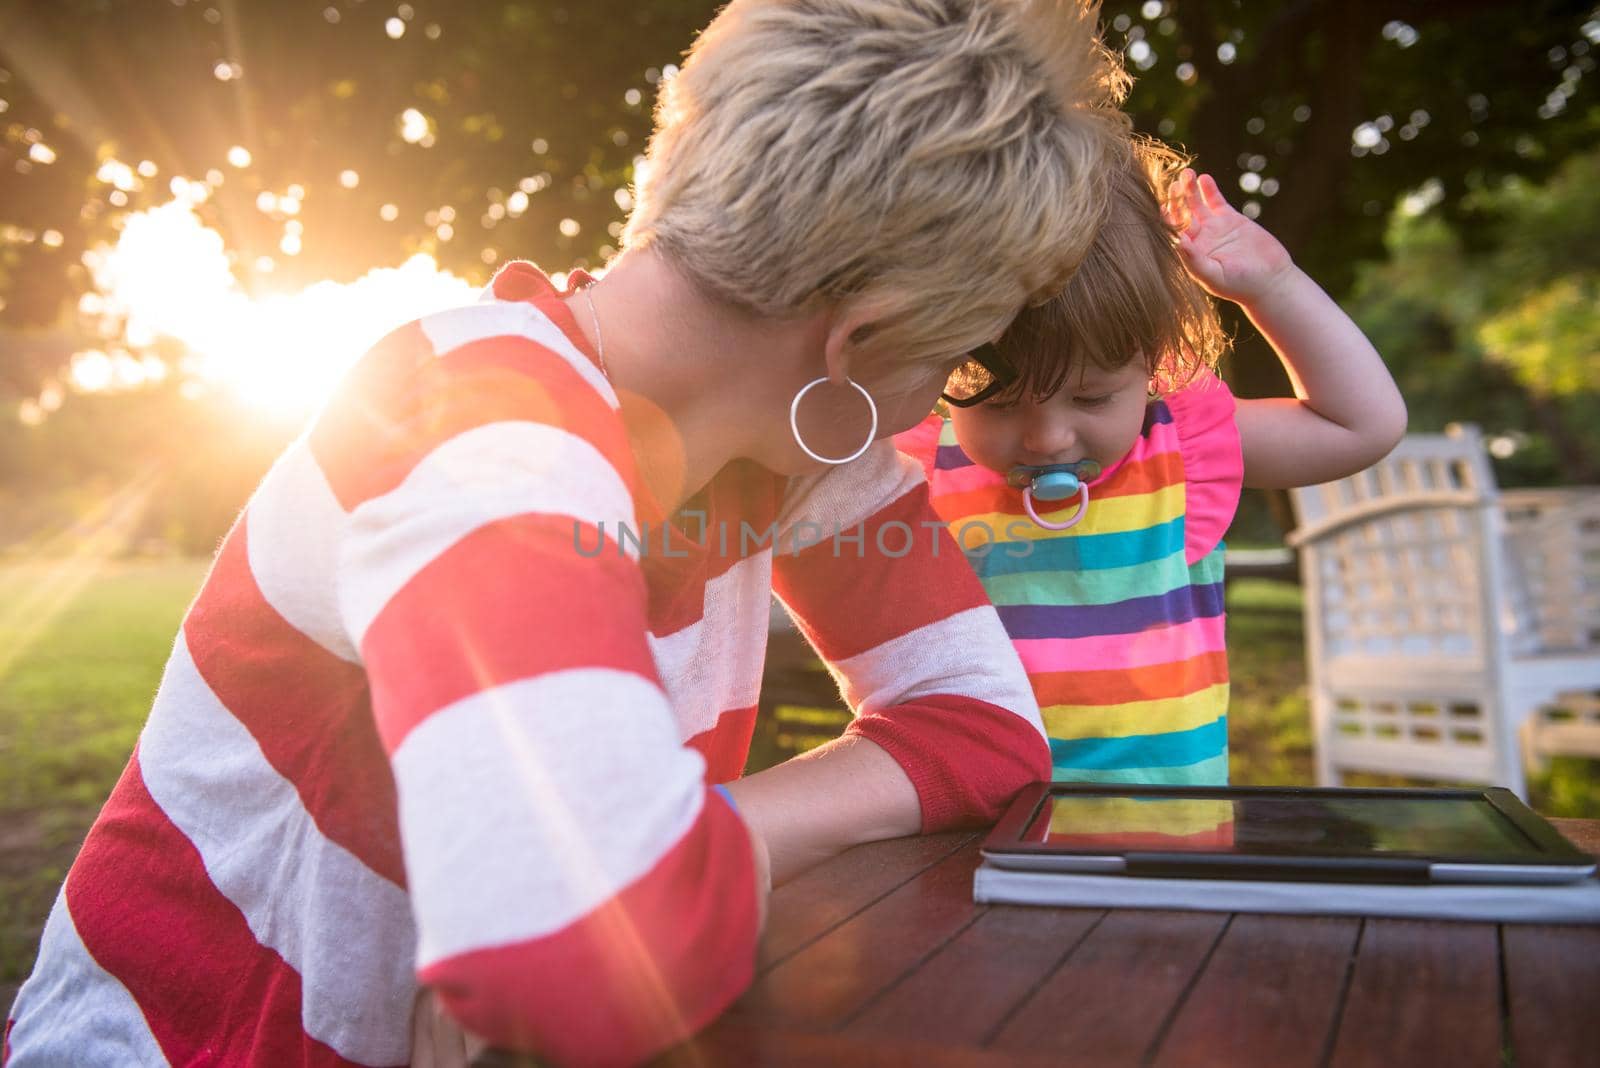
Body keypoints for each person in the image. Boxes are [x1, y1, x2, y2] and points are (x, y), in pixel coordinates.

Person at [5, 2, 1133, 1065]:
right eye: (959, 356)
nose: (940, 397)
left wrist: (695, 838)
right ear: (864, 336)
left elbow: (986, 729)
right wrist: (622, 885)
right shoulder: (477, 422)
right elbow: (582, 959)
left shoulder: (788, 457)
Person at [897, 144, 1407, 787]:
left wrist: (1274, 285)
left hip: (1158, 827)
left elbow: (1361, 426)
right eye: (997, 404)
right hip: (970, 825)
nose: (1048, 438)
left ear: (1152, 362)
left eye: (1091, 397)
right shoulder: (915, 464)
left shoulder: (1180, 450)